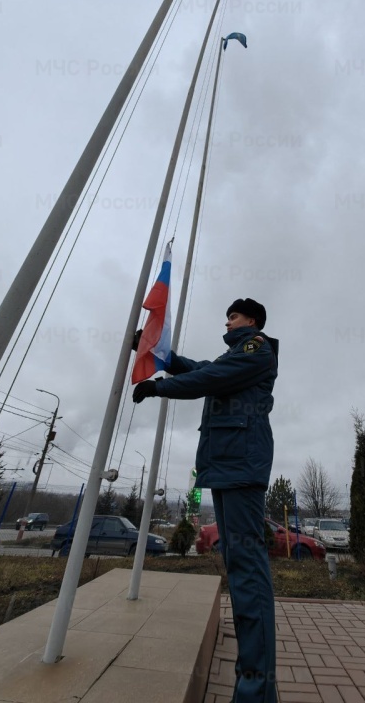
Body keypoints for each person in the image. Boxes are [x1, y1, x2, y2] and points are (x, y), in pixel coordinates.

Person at [133, 298, 279, 703]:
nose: (227, 320)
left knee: (248, 576)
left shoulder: (256, 349)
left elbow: (210, 378)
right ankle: (257, 691)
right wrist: (161, 356)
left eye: (233, 315)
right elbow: (202, 370)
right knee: (242, 571)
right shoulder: (234, 356)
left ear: (251, 321)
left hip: (240, 468)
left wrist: (159, 385)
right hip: (231, 466)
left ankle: (256, 694)